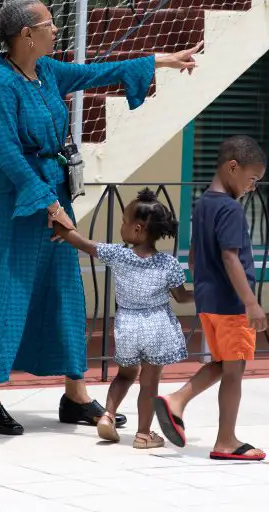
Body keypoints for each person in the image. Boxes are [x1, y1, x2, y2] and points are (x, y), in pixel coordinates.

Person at [0, 0, 201, 435]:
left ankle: (75, 395)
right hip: (21, 198)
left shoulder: (48, 72)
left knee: (66, 288)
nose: (56, 30)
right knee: (12, 288)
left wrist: (162, 60)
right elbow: (8, 154)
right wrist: (50, 204)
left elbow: (99, 71)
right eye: (49, 24)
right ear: (27, 35)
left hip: (54, 188)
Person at [152, 135, 268, 461]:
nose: (253, 187)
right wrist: (250, 302)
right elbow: (231, 258)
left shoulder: (203, 203)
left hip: (209, 301)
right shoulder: (230, 209)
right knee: (234, 371)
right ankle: (226, 441)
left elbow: (193, 258)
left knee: (222, 363)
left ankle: (177, 401)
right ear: (233, 167)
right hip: (232, 304)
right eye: (252, 179)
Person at [53, 188, 193, 449]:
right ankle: (143, 435)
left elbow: (81, 242)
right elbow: (182, 298)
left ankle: (107, 415)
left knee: (125, 376)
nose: (122, 225)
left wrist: (59, 221)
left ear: (137, 229)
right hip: (157, 326)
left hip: (127, 325)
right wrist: (205, 295)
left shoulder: (119, 255)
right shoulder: (168, 264)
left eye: (124, 221)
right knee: (149, 382)